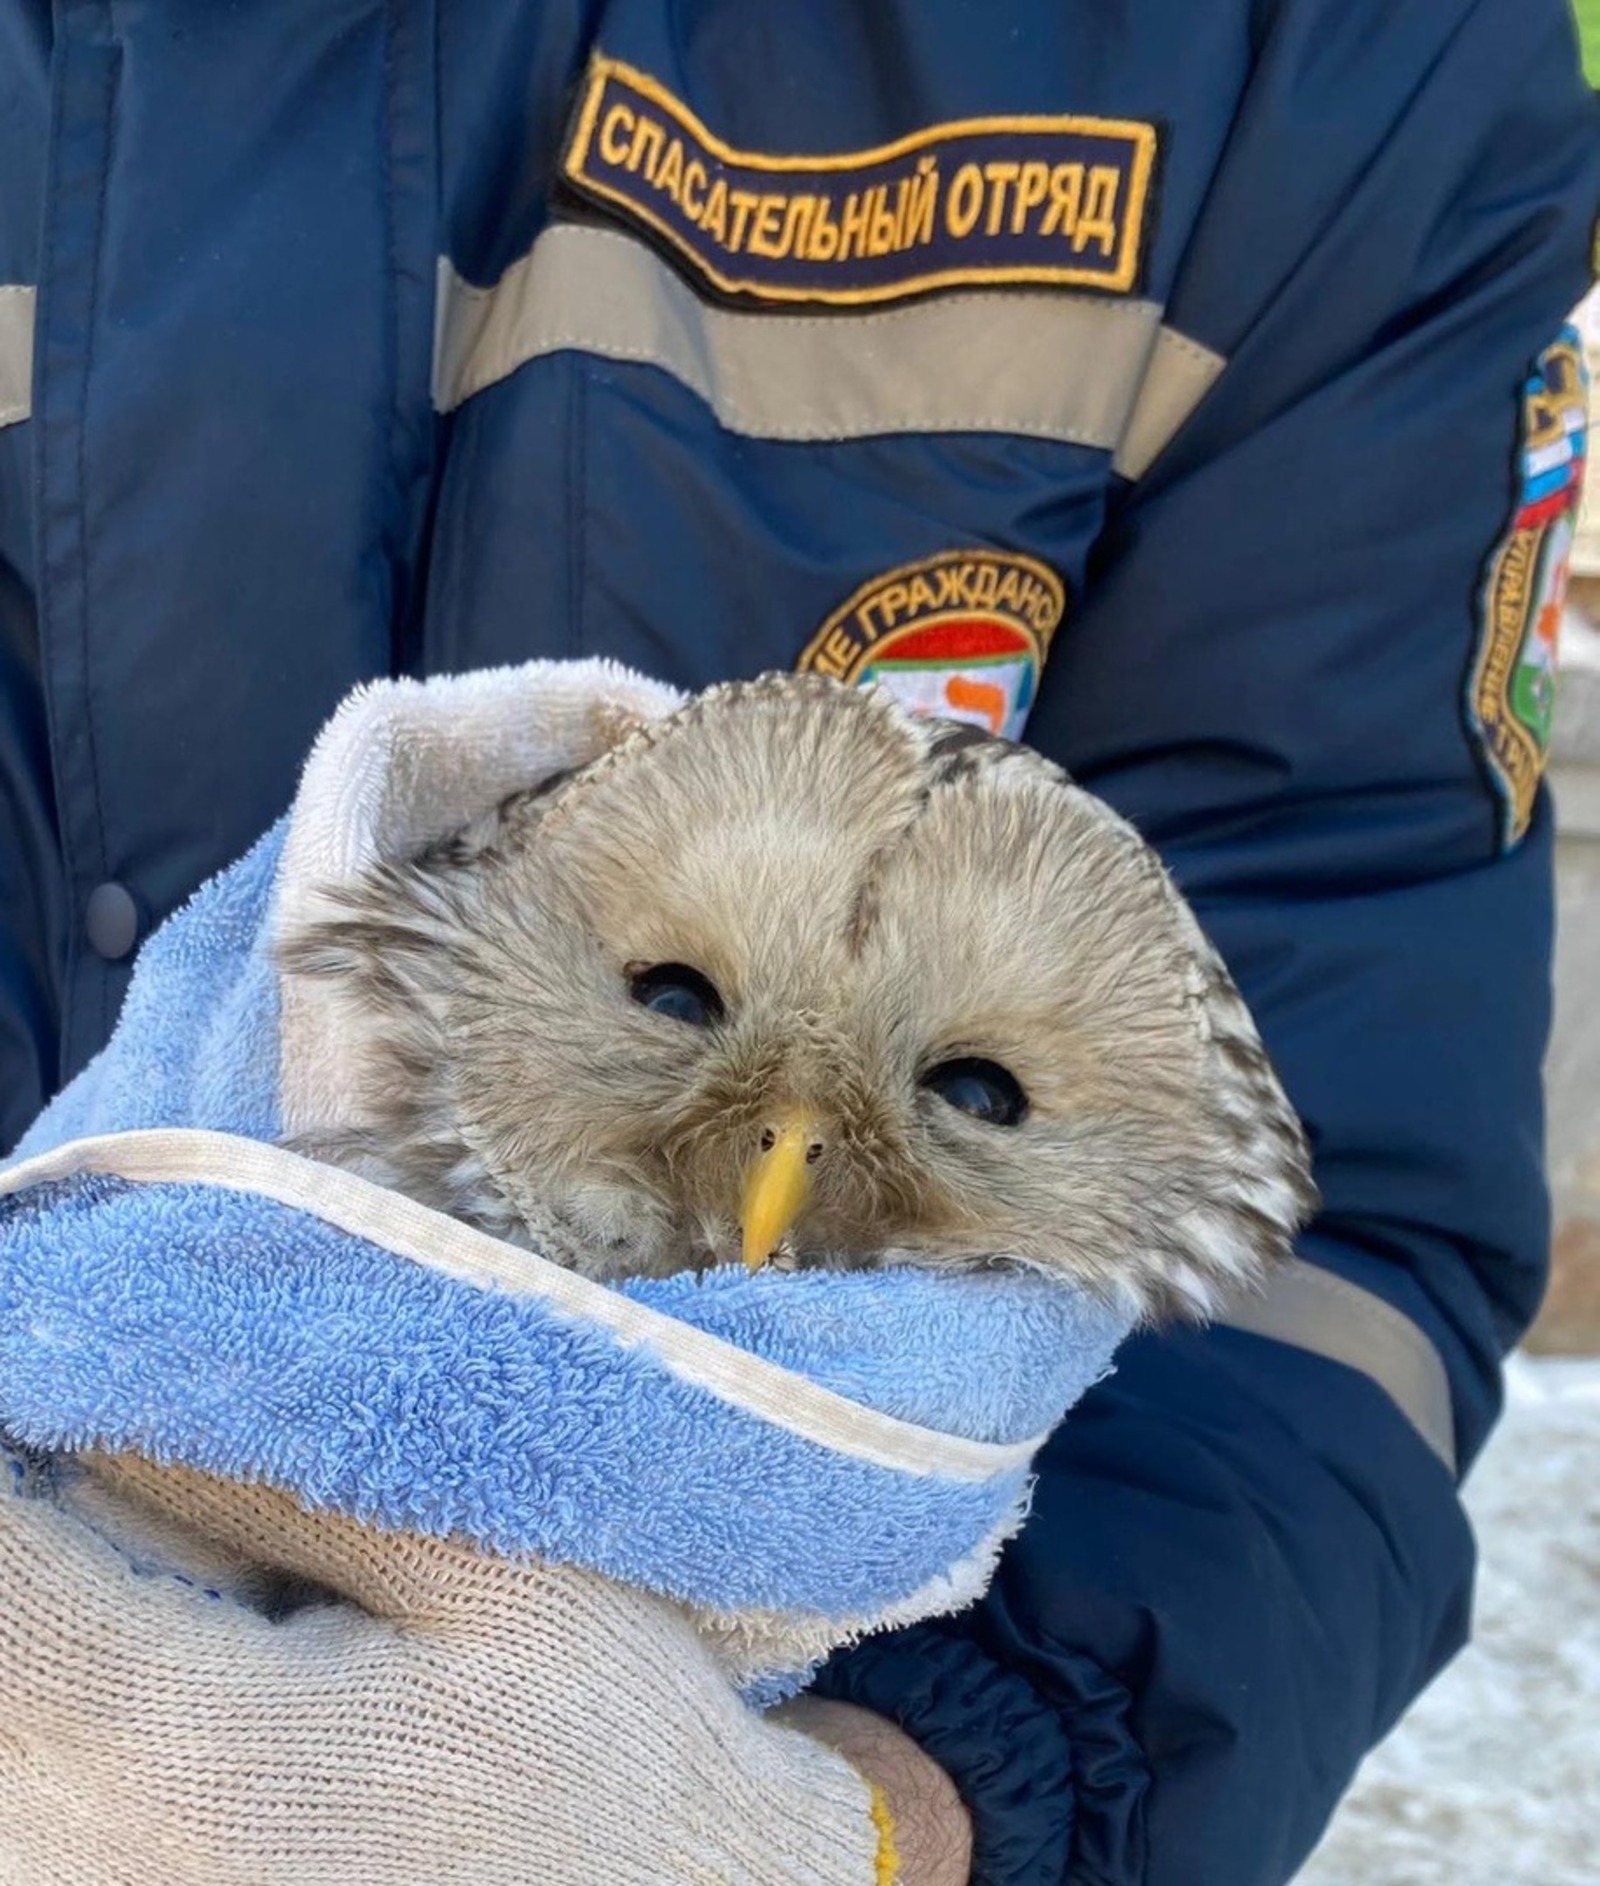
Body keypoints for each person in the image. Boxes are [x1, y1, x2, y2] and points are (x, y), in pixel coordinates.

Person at [0, 1, 1596, 1879]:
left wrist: (882, 1810)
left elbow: (1313, 1205)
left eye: (970, 1081)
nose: (776, 1163)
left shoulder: (1311, 52)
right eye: (675, 993)